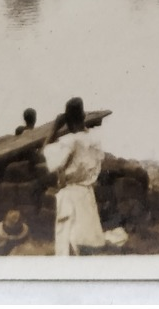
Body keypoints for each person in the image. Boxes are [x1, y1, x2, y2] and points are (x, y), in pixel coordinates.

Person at [42, 96, 106, 256]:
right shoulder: (95, 141)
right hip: (86, 194)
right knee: (88, 242)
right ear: (84, 116)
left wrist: (54, 128)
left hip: (70, 196)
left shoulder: (68, 142)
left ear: (67, 121)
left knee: (68, 245)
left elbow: (46, 153)